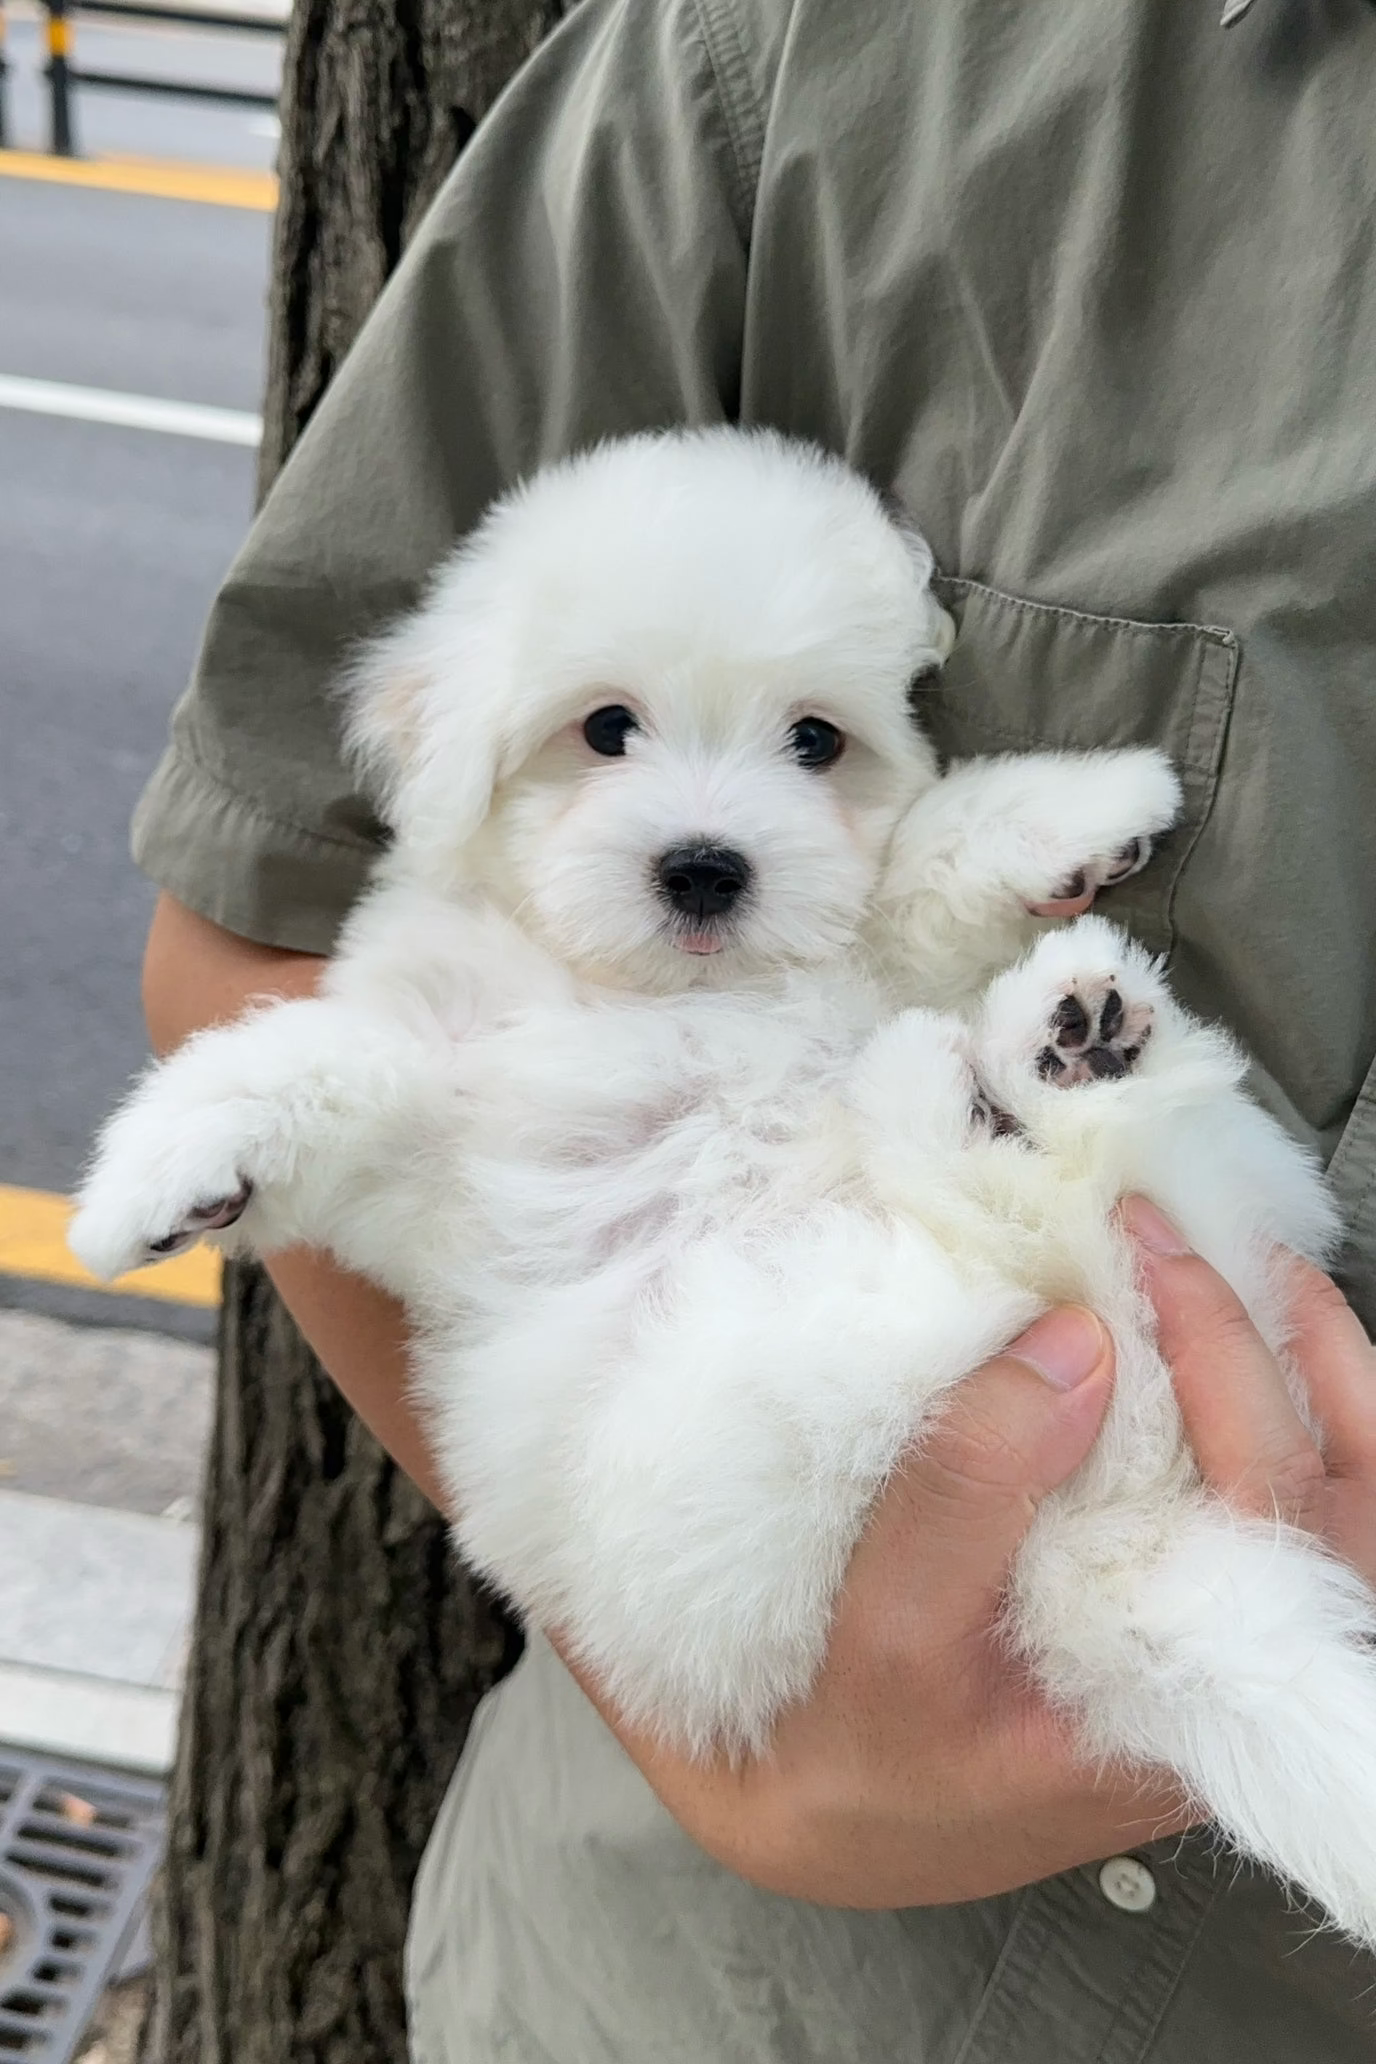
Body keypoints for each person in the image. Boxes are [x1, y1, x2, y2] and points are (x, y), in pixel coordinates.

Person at [133, 0, 1376, 2055]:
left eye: (814, 740)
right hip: (707, 1987)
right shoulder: (798, 54)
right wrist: (747, 1750)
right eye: (608, 731)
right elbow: (257, 926)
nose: (708, 822)